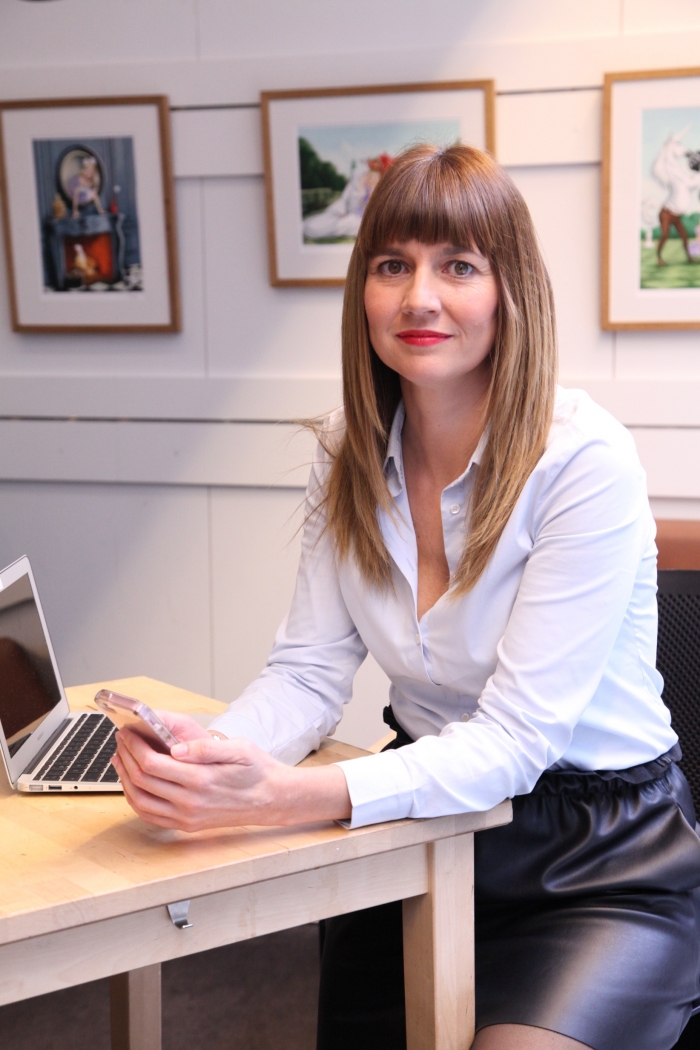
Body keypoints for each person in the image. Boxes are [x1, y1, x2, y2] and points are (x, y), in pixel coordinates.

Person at [113, 144, 700, 1050]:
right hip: (424, 833)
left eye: (458, 266)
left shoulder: (584, 460)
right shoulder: (346, 449)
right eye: (393, 266)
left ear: (511, 293)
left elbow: (513, 743)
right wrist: (214, 755)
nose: (419, 297)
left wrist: (280, 798)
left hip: (599, 862)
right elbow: (308, 674)